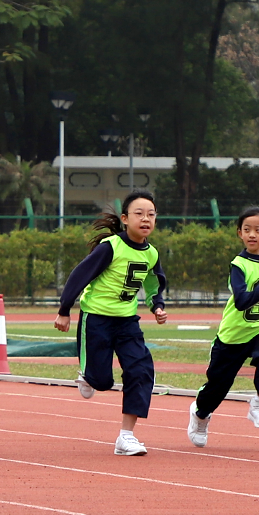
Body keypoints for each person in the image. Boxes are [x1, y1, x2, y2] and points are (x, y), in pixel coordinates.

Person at [56, 191, 169, 456]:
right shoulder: (111, 247)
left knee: (141, 370)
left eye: (151, 215)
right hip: (96, 318)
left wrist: (157, 306)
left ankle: (126, 437)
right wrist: (64, 310)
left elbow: (154, 284)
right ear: (125, 219)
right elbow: (79, 275)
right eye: (139, 214)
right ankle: (88, 374)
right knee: (102, 381)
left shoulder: (151, 254)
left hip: (127, 322)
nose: (146, 219)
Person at [188, 207, 259, 448]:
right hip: (233, 335)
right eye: (247, 230)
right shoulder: (238, 265)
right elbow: (242, 301)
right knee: (218, 386)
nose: (252, 234)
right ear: (239, 233)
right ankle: (200, 415)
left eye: (258, 230)